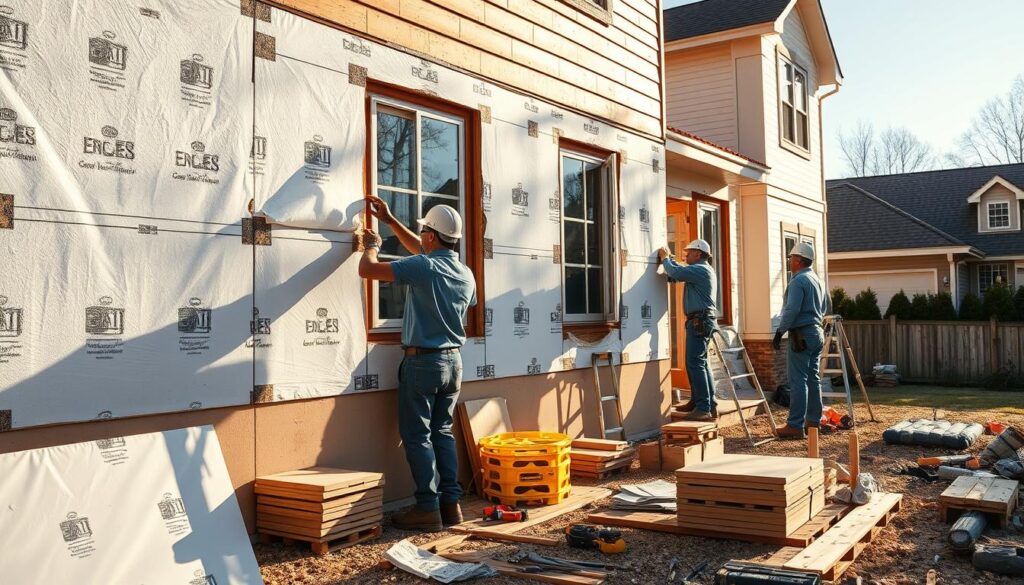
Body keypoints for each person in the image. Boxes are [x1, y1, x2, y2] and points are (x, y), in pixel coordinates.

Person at [358, 195, 477, 531]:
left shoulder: (425, 267)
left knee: (418, 435)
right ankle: (450, 506)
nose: (421, 235)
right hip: (454, 362)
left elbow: (368, 270)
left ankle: (427, 507)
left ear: (429, 236)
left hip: (423, 363)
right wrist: (392, 220)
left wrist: (372, 244)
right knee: (442, 431)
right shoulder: (465, 273)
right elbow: (425, 255)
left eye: (424, 231)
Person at [772, 241, 830, 439]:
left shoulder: (798, 281)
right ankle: (813, 422)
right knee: (813, 379)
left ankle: (795, 426)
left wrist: (780, 331)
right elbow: (825, 306)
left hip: (802, 335)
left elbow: (792, 309)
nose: (789, 262)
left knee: (798, 381)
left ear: (798, 260)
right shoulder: (817, 280)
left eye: (791, 258)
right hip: (817, 332)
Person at [657, 239, 718, 421]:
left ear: (698, 254)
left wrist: (666, 258)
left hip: (700, 321)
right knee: (701, 363)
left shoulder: (700, 269)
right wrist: (670, 263)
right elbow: (676, 274)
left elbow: (676, 272)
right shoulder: (701, 269)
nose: (686, 255)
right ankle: (705, 403)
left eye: (689, 252)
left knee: (695, 363)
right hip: (701, 320)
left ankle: (703, 407)